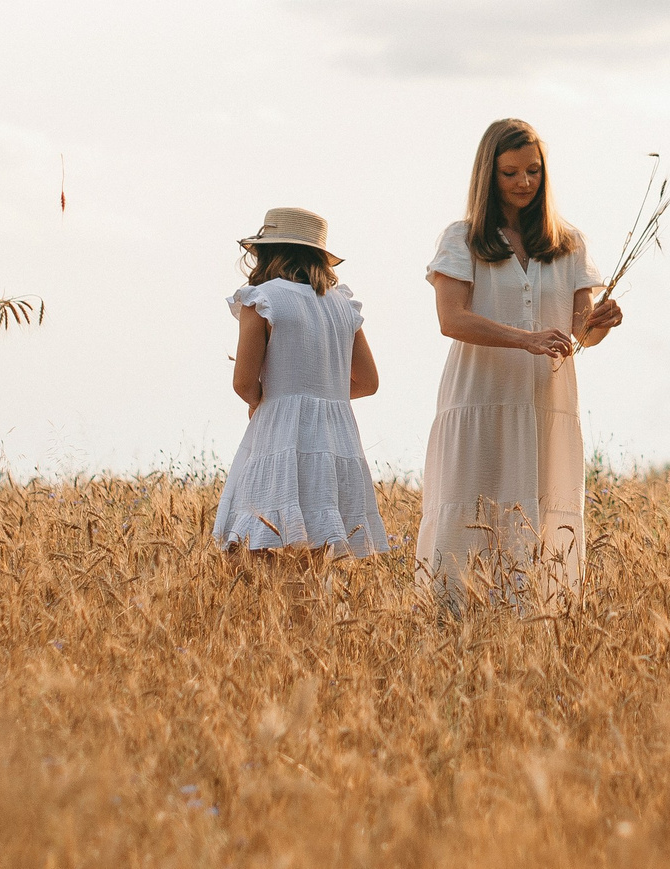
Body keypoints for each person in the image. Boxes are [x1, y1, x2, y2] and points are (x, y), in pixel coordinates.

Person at [414, 118, 625, 602]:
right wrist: (524, 339)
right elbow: (451, 319)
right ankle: (455, 619)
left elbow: (580, 335)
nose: (524, 182)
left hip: (546, 402)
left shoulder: (568, 244)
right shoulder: (463, 238)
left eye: (533, 171)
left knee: (543, 515)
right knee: (471, 510)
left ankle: (533, 624)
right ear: (488, 175)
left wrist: (602, 323)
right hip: (481, 397)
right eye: (510, 173)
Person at [211, 207, 387, 560]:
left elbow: (243, 383)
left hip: (280, 433)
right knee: (317, 554)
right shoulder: (343, 305)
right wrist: (324, 390)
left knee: (259, 550)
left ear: (267, 252)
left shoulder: (261, 298)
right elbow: (368, 382)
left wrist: (267, 399)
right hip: (336, 439)